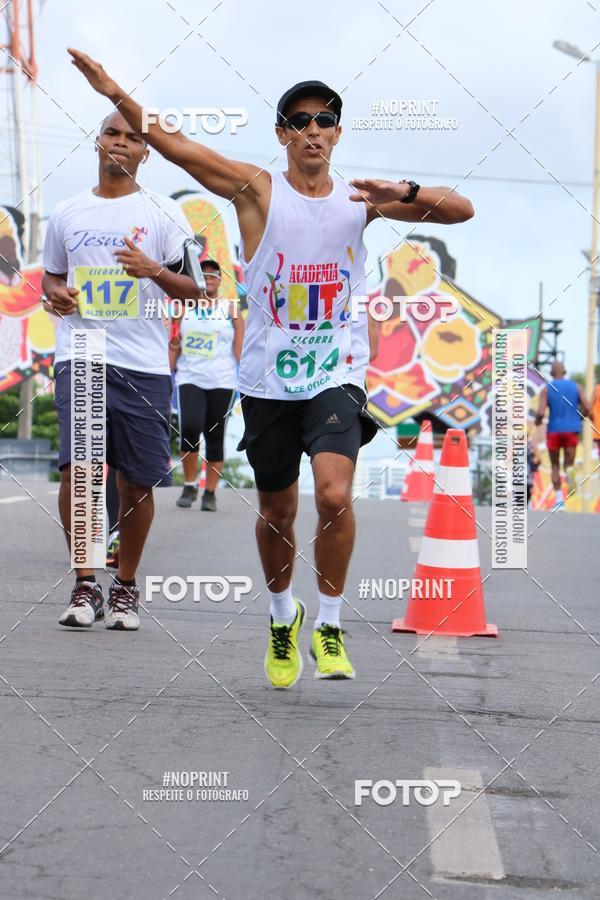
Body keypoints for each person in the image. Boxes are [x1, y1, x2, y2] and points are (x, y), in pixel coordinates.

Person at [69, 49, 474, 684]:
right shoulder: (257, 191)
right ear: (283, 133)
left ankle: (332, 623)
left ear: (338, 132)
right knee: (278, 511)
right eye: (301, 120)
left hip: (336, 370)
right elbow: (175, 147)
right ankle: (283, 616)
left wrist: (407, 193)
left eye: (327, 120)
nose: (315, 130)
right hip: (266, 380)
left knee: (336, 494)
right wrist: (115, 91)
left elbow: (462, 211)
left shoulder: (360, 198)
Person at [42, 109, 202, 631]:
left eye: (133, 137)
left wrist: (152, 269)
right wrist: (55, 296)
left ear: (145, 153)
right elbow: (51, 280)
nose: (121, 143)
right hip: (82, 352)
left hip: (145, 364)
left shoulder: (163, 214)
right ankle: (86, 584)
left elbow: (199, 289)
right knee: (81, 473)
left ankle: (126, 587)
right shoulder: (66, 212)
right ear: (97, 141)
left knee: (136, 486)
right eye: (112, 132)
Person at [170, 258, 244, 511]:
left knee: (215, 435)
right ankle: (190, 485)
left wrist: (246, 379)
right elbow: (174, 342)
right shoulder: (183, 308)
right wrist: (167, 366)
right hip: (190, 377)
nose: (209, 277)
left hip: (222, 380)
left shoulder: (231, 309)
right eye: (204, 274)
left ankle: (210, 493)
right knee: (189, 428)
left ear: (221, 280)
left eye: (214, 274)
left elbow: (240, 350)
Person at [536, 361, 591, 510]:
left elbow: (541, 412)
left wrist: (537, 421)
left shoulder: (546, 389)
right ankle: (570, 472)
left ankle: (559, 502)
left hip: (554, 430)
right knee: (568, 463)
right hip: (571, 429)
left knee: (554, 465)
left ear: (552, 373)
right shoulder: (576, 387)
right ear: (565, 372)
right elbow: (587, 406)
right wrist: (579, 418)